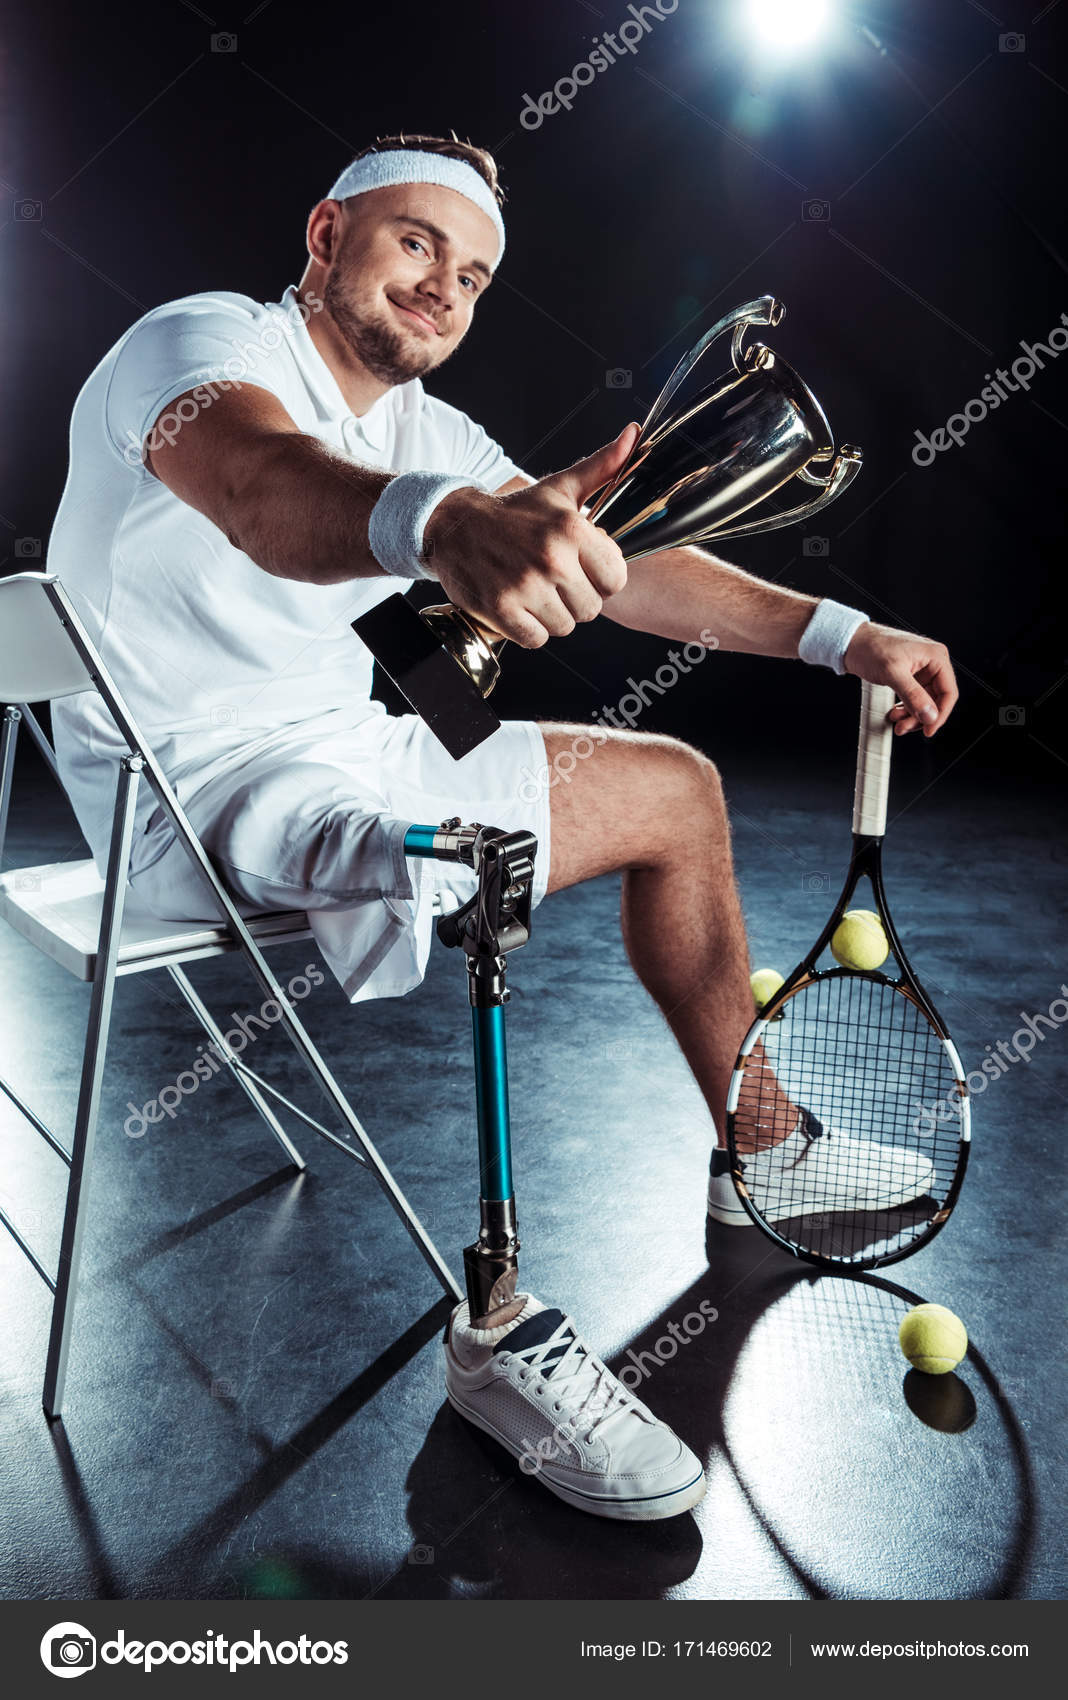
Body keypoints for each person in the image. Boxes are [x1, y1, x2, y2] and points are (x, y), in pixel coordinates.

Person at [47, 132, 958, 1523]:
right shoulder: (200, 343)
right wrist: (441, 527)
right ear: (326, 231)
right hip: (186, 794)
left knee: (675, 788)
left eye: (471, 275)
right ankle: (497, 1330)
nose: (442, 289)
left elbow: (624, 559)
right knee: (490, 864)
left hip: (343, 749)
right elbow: (258, 489)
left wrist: (846, 635)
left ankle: (767, 1145)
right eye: (416, 244)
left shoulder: (425, 434)